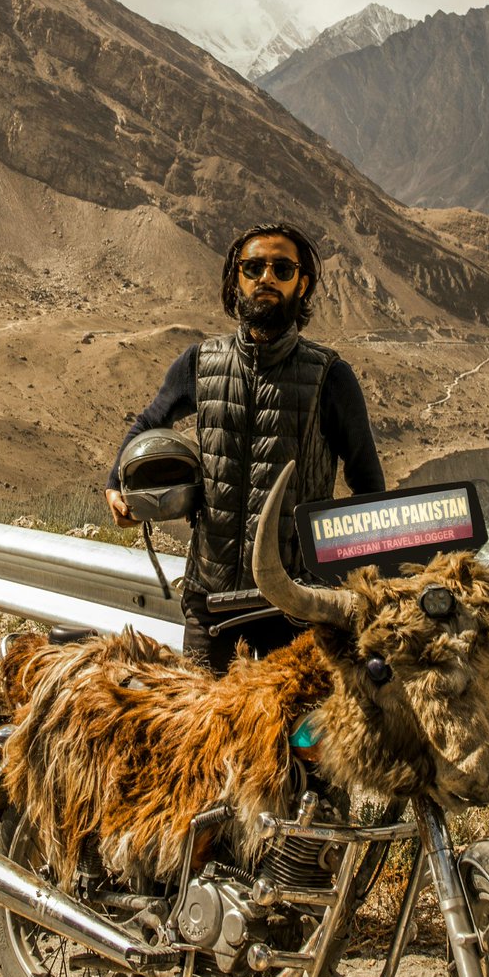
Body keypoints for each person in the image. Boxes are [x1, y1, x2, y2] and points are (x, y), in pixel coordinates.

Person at [106, 221, 384, 673]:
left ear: (303, 283)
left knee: (296, 738)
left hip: (299, 607)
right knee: (203, 734)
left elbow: (368, 487)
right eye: (253, 267)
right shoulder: (200, 363)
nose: (266, 278)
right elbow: (149, 422)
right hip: (210, 598)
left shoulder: (330, 376)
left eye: (282, 268)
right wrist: (114, 484)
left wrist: (339, 589)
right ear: (236, 280)